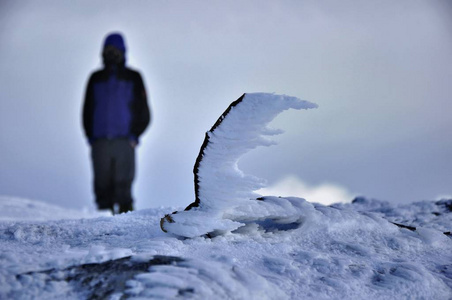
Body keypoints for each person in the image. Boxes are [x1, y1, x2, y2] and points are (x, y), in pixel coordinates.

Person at [82, 32, 150, 214]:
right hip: (100, 141)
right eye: (107, 50)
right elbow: (87, 109)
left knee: (124, 184)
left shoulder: (134, 77)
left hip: (124, 141)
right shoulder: (95, 78)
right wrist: (91, 137)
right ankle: (103, 223)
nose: (111, 54)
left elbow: (144, 111)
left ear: (123, 51)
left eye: (115, 50)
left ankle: (125, 221)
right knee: (102, 184)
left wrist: (135, 135)